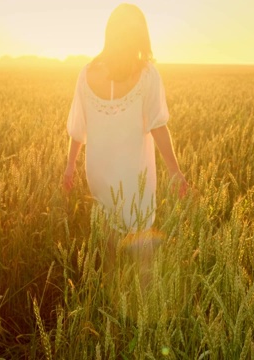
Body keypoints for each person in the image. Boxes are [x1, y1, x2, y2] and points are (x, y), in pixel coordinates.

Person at [63, 3, 188, 238]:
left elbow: (78, 128)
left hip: (98, 173)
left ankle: (110, 275)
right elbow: (158, 126)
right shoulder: (148, 74)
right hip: (134, 177)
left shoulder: (87, 73)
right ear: (140, 37)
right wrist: (174, 171)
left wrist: (70, 166)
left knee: (108, 242)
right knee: (138, 242)